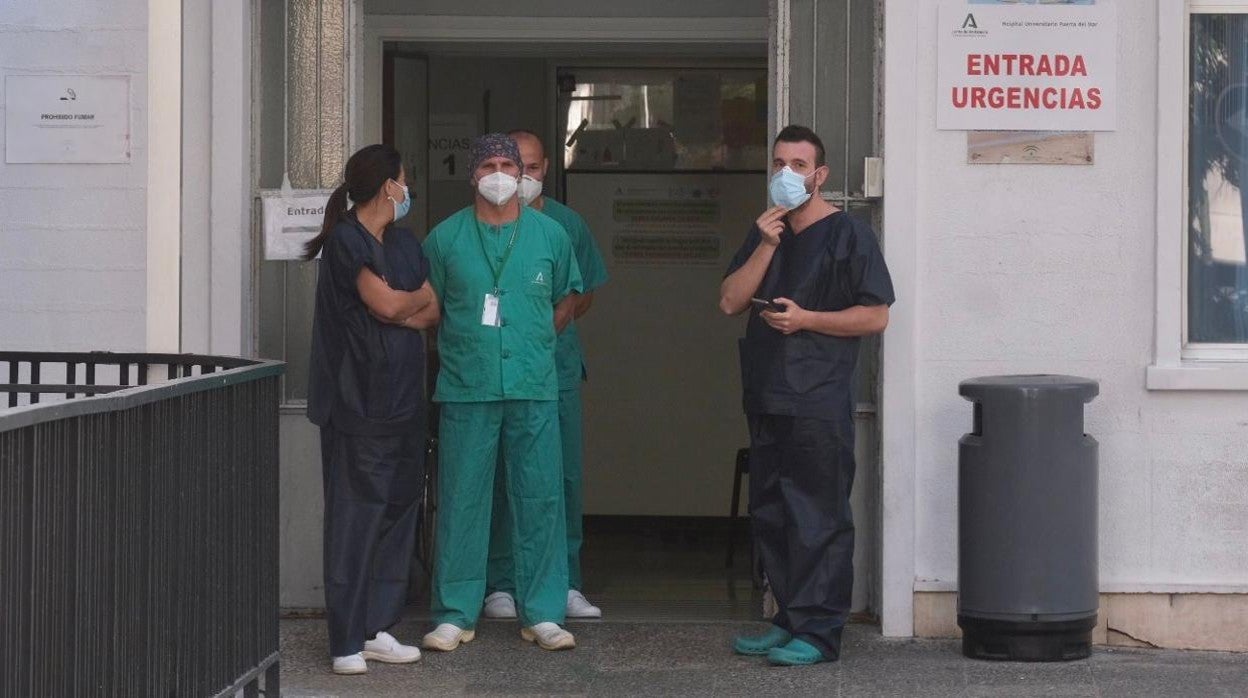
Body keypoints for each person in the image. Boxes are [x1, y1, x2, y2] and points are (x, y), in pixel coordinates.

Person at [719, 125, 895, 666]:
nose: (786, 174)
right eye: (778, 163)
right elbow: (730, 302)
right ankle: (788, 618)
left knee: (817, 515)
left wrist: (808, 319)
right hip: (768, 394)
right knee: (773, 513)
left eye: (798, 165)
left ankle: (820, 633)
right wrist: (767, 245)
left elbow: (877, 314)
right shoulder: (767, 233)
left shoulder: (850, 235)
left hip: (817, 399)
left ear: (820, 176)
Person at [421, 134, 584, 652]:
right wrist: (468, 348)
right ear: (473, 175)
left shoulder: (551, 235)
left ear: (522, 175)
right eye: (488, 165)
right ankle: (454, 612)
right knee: (463, 498)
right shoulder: (444, 240)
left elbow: (567, 302)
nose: (498, 174)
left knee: (540, 497)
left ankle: (543, 612)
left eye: (507, 165)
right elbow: (431, 312)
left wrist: (531, 342)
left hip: (533, 386)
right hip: (468, 387)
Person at [305, 143, 439, 675]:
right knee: (355, 519)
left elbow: (432, 309)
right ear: (389, 186)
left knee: (398, 511)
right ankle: (345, 641)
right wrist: (400, 307)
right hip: (357, 407)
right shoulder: (346, 242)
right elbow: (389, 303)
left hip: (405, 406)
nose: (409, 190)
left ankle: (377, 626)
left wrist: (397, 311)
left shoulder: (404, 244)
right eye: (405, 180)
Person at [481, 130, 609, 621]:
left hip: (553, 369)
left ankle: (567, 581)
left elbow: (586, 290)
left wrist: (549, 324)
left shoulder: (565, 224)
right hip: (497, 372)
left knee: (563, 477)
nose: (524, 177)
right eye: (516, 167)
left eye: (532, 167)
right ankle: (502, 582)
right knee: (502, 476)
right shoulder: (478, 225)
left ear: (546, 167)